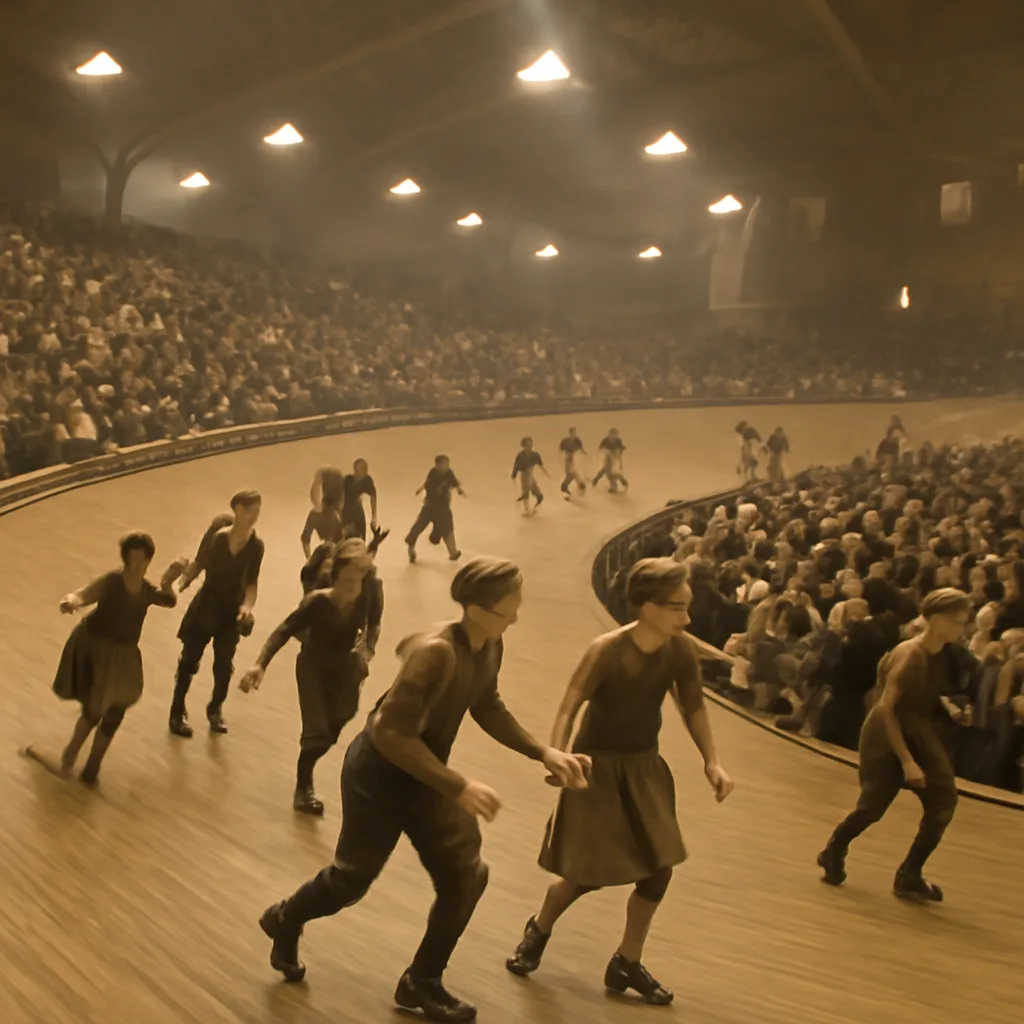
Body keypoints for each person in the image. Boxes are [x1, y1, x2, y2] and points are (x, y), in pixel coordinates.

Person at [257, 557, 590, 1023]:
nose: (516, 615)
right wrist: (458, 785)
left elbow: (487, 702)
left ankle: (422, 981)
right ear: (476, 608)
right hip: (377, 775)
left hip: (423, 774)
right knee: (351, 880)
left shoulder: (489, 644)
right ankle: (285, 917)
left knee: (467, 876)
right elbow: (390, 733)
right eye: (508, 607)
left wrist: (543, 752)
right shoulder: (437, 652)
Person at [506, 558, 734, 1004]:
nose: (686, 618)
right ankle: (539, 930)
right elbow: (571, 704)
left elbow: (694, 707)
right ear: (647, 605)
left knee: (658, 870)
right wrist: (559, 756)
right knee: (585, 875)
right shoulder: (607, 649)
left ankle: (626, 962)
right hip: (598, 769)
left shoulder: (681, 649)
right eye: (676, 607)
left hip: (645, 767)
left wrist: (712, 761)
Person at [817, 587, 970, 901]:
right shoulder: (909, 654)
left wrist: (949, 710)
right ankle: (833, 849)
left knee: (943, 799)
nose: (961, 628)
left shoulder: (939, 653)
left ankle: (910, 873)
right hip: (887, 733)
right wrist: (907, 761)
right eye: (957, 621)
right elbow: (886, 707)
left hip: (917, 729)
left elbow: (921, 696)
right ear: (937, 619)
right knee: (873, 804)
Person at [239, 539, 383, 815]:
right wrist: (260, 665)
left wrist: (367, 651)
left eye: (359, 579)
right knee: (316, 732)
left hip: (345, 667)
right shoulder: (317, 602)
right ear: (335, 576)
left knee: (339, 721)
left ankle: (310, 761)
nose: (354, 586)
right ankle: (303, 787)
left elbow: (374, 623)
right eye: (348, 579)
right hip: (313, 666)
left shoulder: (369, 592)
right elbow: (283, 630)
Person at [27, 533, 184, 783]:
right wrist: (72, 601)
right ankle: (69, 756)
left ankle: (92, 767)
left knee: (115, 711)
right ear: (125, 561)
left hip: (124, 655)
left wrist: (169, 581)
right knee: (93, 711)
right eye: (133, 561)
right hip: (96, 650)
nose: (138, 566)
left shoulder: (146, 589)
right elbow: (86, 593)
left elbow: (168, 600)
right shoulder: (112, 581)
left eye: (143, 561)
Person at [169, 490, 264, 737]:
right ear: (238, 510)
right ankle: (177, 711)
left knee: (223, 666)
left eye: (257, 511)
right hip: (206, 607)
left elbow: (252, 583)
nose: (254, 516)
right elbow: (200, 563)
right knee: (189, 660)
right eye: (250, 510)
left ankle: (215, 708)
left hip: (230, 612)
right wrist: (182, 582)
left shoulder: (256, 546)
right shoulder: (219, 539)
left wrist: (247, 606)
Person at [406, 454, 464, 564]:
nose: (446, 467)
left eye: (447, 465)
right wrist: (424, 489)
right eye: (443, 465)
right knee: (418, 527)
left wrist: (458, 489)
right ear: (437, 465)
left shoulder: (449, 473)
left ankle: (453, 552)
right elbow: (429, 485)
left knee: (448, 530)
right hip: (430, 508)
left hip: (444, 508)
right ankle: (411, 549)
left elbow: (453, 482)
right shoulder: (433, 474)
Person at [302, 467, 345, 559]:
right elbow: (305, 538)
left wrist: (309, 559)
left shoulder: (319, 514)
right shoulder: (331, 515)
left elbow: (305, 539)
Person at [341, 458, 378, 541]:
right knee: (345, 539)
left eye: (365, 468)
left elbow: (373, 496)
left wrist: (374, 517)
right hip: (345, 513)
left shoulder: (366, 480)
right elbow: (339, 498)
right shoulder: (347, 480)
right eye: (362, 468)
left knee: (360, 539)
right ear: (355, 469)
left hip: (358, 513)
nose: (365, 470)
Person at [511, 436, 549, 514]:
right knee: (525, 494)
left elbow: (541, 465)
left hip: (531, 476)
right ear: (524, 446)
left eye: (530, 444)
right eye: (527, 445)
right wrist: (514, 478)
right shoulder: (520, 456)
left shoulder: (535, 455)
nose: (530, 447)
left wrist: (547, 474)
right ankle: (526, 509)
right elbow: (515, 468)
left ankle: (534, 508)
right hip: (524, 476)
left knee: (540, 496)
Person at [593, 428, 628, 493]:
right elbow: (601, 448)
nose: (614, 436)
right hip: (608, 457)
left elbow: (621, 448)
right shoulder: (605, 440)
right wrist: (606, 452)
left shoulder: (618, 440)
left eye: (616, 434)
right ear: (610, 434)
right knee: (608, 470)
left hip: (614, 457)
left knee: (612, 471)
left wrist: (619, 456)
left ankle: (620, 483)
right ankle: (616, 485)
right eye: (613, 434)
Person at [558, 426, 587, 498]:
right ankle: (580, 484)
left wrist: (585, 454)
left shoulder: (577, 440)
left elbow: (581, 448)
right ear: (569, 433)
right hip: (568, 458)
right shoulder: (565, 441)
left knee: (571, 474)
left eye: (574, 432)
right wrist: (561, 458)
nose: (573, 434)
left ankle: (565, 487)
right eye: (572, 432)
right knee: (571, 473)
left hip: (574, 457)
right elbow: (561, 450)